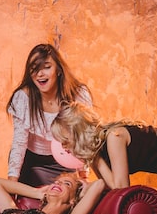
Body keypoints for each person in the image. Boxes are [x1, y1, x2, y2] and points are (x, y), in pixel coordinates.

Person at [6, 43, 92, 186]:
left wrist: (83, 175)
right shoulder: (23, 98)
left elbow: (82, 138)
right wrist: (12, 184)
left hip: (65, 159)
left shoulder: (78, 94)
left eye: (46, 67)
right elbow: (19, 143)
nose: (40, 74)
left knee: (68, 195)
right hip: (32, 161)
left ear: (58, 70)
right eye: (34, 68)